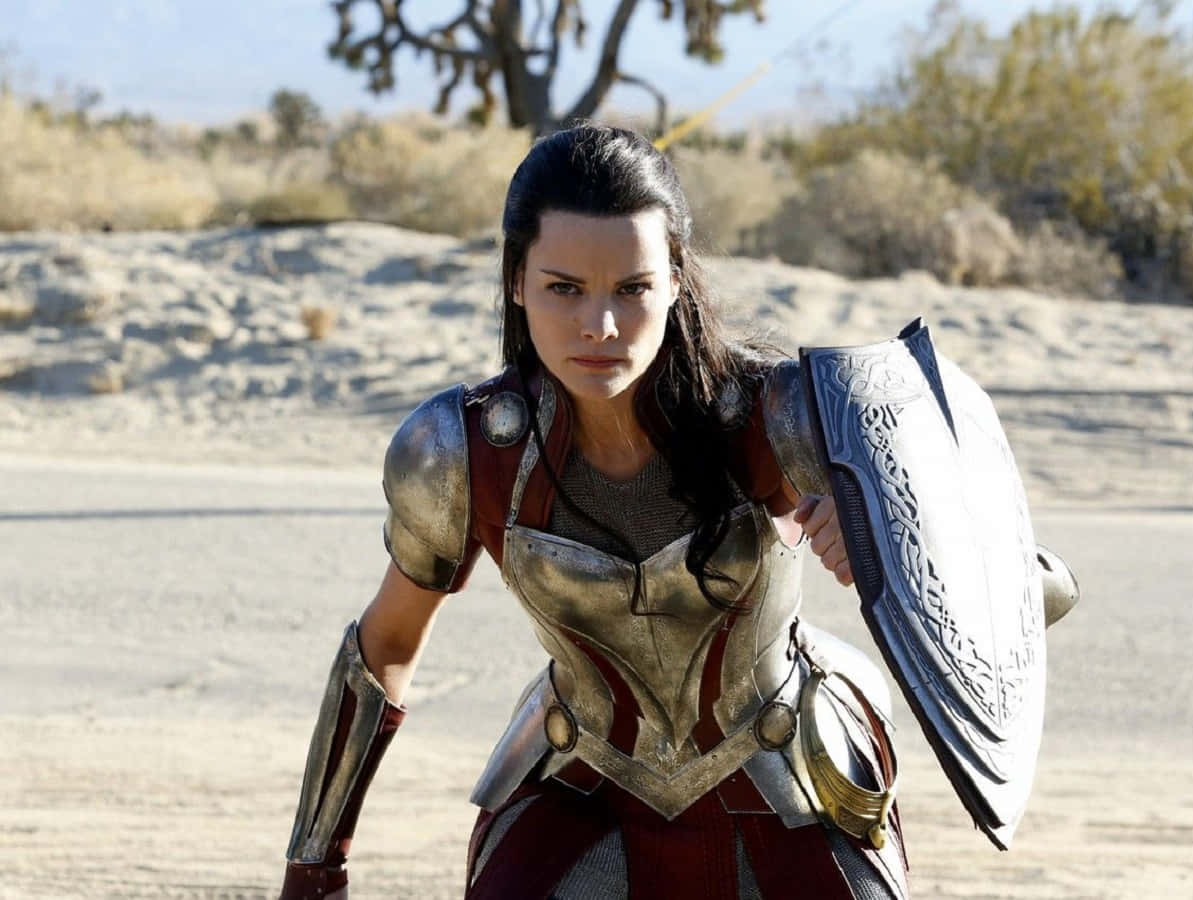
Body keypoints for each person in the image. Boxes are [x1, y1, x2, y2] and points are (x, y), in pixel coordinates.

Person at [279, 124, 910, 900]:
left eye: (632, 289)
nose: (599, 327)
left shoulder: (780, 416)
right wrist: (315, 865)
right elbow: (386, 645)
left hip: (788, 779)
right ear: (517, 281)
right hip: (583, 786)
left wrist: (882, 535)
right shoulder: (463, 452)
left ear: (674, 281)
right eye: (565, 288)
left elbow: (1000, 577)